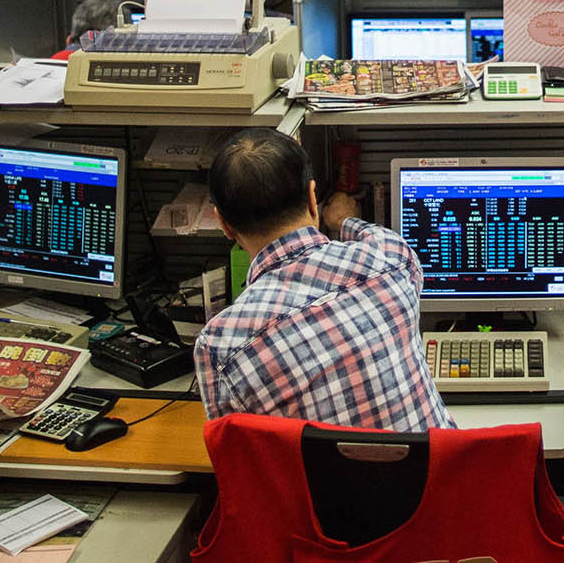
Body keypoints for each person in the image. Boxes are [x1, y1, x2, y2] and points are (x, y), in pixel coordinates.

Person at [193, 129, 454, 432]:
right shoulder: (391, 259)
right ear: (312, 197)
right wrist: (342, 220)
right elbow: (377, 236)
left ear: (223, 224)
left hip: (325, 482)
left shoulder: (220, 346)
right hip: (437, 476)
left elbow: (242, 455)